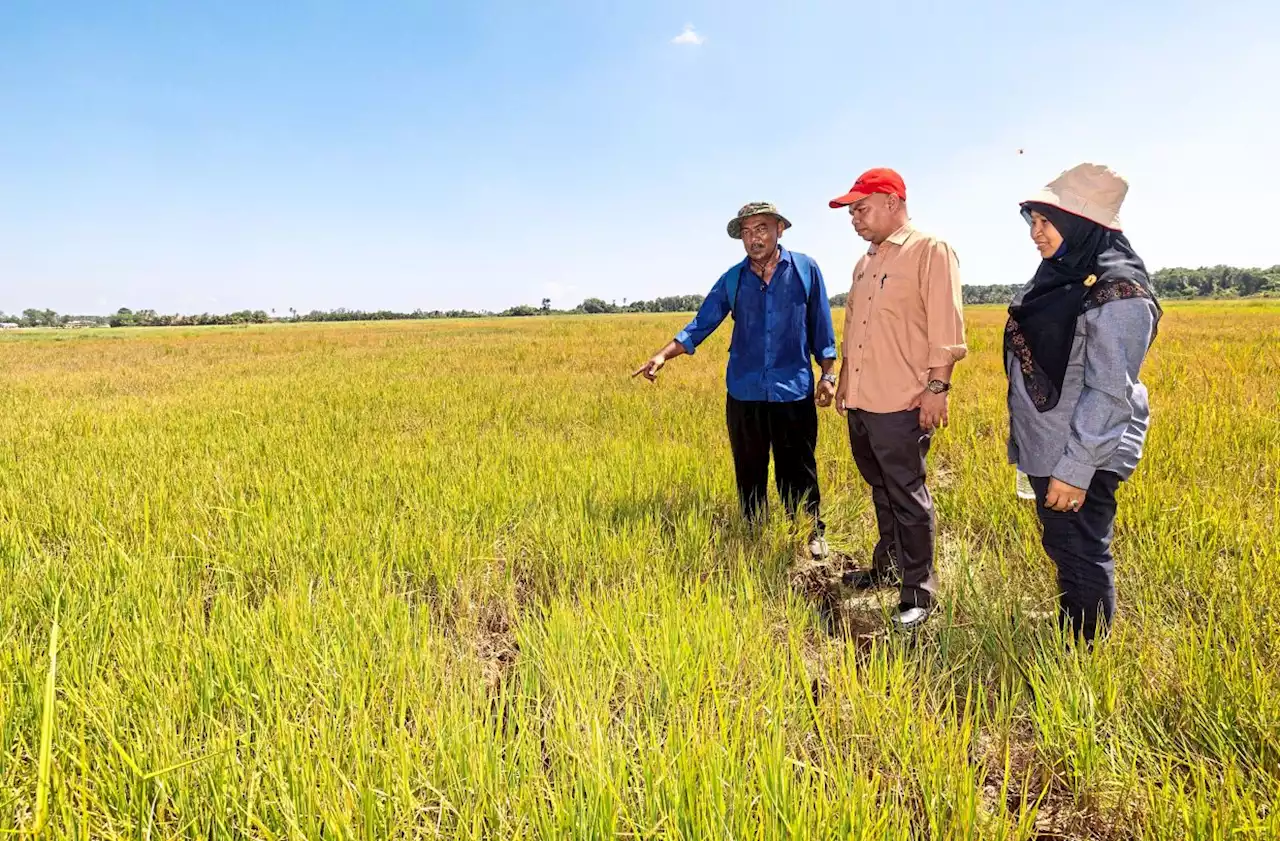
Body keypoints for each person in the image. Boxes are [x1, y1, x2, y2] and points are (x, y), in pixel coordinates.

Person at [1005, 163, 1161, 644]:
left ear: (1080, 225)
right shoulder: (1064, 276)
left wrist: (1075, 469)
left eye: (1045, 221)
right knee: (1066, 546)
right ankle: (1073, 627)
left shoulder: (1119, 292)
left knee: (1080, 550)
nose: (1035, 232)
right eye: (1031, 219)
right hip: (1055, 445)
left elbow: (1109, 390)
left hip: (1079, 453)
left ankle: (1083, 653)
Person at [633, 202, 839, 558]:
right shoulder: (733, 278)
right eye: (745, 232)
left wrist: (829, 373)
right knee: (749, 465)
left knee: (798, 466)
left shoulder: (806, 269)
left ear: (779, 229)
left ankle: (809, 531)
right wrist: (663, 354)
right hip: (744, 391)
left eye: (760, 229)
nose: (753, 238)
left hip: (793, 389)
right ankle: (753, 532)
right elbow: (701, 323)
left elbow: (821, 326)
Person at [828, 169, 967, 631]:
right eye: (850, 211)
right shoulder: (865, 263)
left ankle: (919, 593)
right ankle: (887, 568)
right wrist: (847, 381)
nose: (854, 218)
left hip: (903, 401)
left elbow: (946, 329)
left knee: (908, 494)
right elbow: (853, 330)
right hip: (864, 399)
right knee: (880, 486)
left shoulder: (929, 251)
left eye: (860, 208)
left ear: (891, 201)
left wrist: (937, 389)